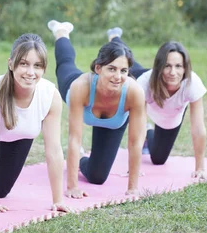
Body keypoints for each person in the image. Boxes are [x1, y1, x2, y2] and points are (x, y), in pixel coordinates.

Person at [0, 33, 73, 214]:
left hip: (18, 133)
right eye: (24, 64)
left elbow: (54, 150)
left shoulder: (50, 95)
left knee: (0, 191)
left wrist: (58, 199)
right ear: (11, 64)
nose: (30, 72)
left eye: (37, 66)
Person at [47, 21, 147, 199]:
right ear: (98, 68)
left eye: (123, 71)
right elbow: (74, 138)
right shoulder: (80, 87)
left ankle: (81, 158)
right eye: (112, 69)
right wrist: (72, 186)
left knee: (97, 177)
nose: (118, 77)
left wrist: (133, 188)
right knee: (65, 63)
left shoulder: (134, 92)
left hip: (113, 122)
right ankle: (61, 32)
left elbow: (135, 143)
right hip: (76, 88)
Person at [106, 28, 207, 179]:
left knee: (158, 159)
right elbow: (136, 126)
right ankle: (114, 37)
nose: (173, 72)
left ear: (185, 67)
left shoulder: (192, 83)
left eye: (178, 66)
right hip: (150, 81)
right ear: (159, 66)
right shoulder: (144, 83)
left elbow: (198, 128)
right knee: (127, 61)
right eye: (167, 65)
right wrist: (133, 168)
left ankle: (151, 132)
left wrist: (200, 168)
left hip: (169, 118)